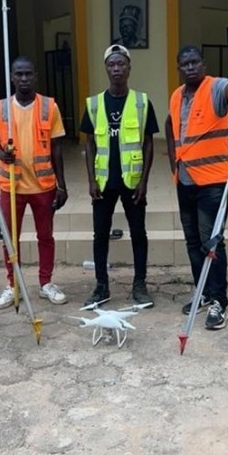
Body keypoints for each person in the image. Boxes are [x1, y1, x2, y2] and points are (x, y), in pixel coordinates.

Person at [165, 45, 228, 329]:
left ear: (203, 64)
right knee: (193, 241)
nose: (190, 67)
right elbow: (170, 125)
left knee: (212, 241)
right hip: (185, 180)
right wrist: (174, 163)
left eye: (195, 62)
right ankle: (204, 292)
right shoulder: (176, 95)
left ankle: (219, 301)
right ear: (178, 68)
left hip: (213, 182)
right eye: (185, 64)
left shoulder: (216, 88)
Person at [80, 43, 159, 306]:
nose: (116, 68)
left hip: (133, 182)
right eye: (112, 64)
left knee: (138, 233)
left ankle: (140, 285)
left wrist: (144, 181)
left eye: (121, 64)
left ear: (129, 67)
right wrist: (91, 179)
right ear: (106, 68)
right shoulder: (94, 104)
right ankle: (101, 286)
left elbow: (149, 143)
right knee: (100, 235)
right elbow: (89, 143)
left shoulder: (142, 102)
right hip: (104, 182)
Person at [0, 56, 68, 308]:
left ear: (35, 76)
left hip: (43, 186)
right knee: (10, 238)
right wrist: (2, 155)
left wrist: (62, 185)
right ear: (12, 77)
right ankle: (13, 285)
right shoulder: (0, 108)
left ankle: (46, 283)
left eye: (28, 74)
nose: (24, 79)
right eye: (19, 74)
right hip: (11, 186)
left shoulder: (49, 107)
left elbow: (57, 148)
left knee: (45, 236)